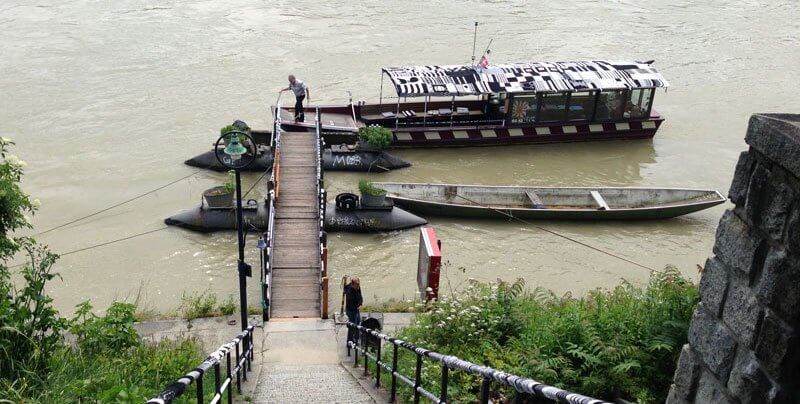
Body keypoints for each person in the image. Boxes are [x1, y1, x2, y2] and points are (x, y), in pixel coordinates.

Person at [344, 277, 363, 346]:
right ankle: (349, 341)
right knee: (352, 326)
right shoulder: (349, 292)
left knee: (358, 324)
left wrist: (360, 302)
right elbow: (352, 302)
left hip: (356, 309)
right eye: (357, 284)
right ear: (352, 284)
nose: (358, 286)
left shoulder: (357, 287)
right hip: (351, 310)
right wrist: (357, 305)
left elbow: (360, 295)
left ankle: (356, 338)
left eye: (359, 284)